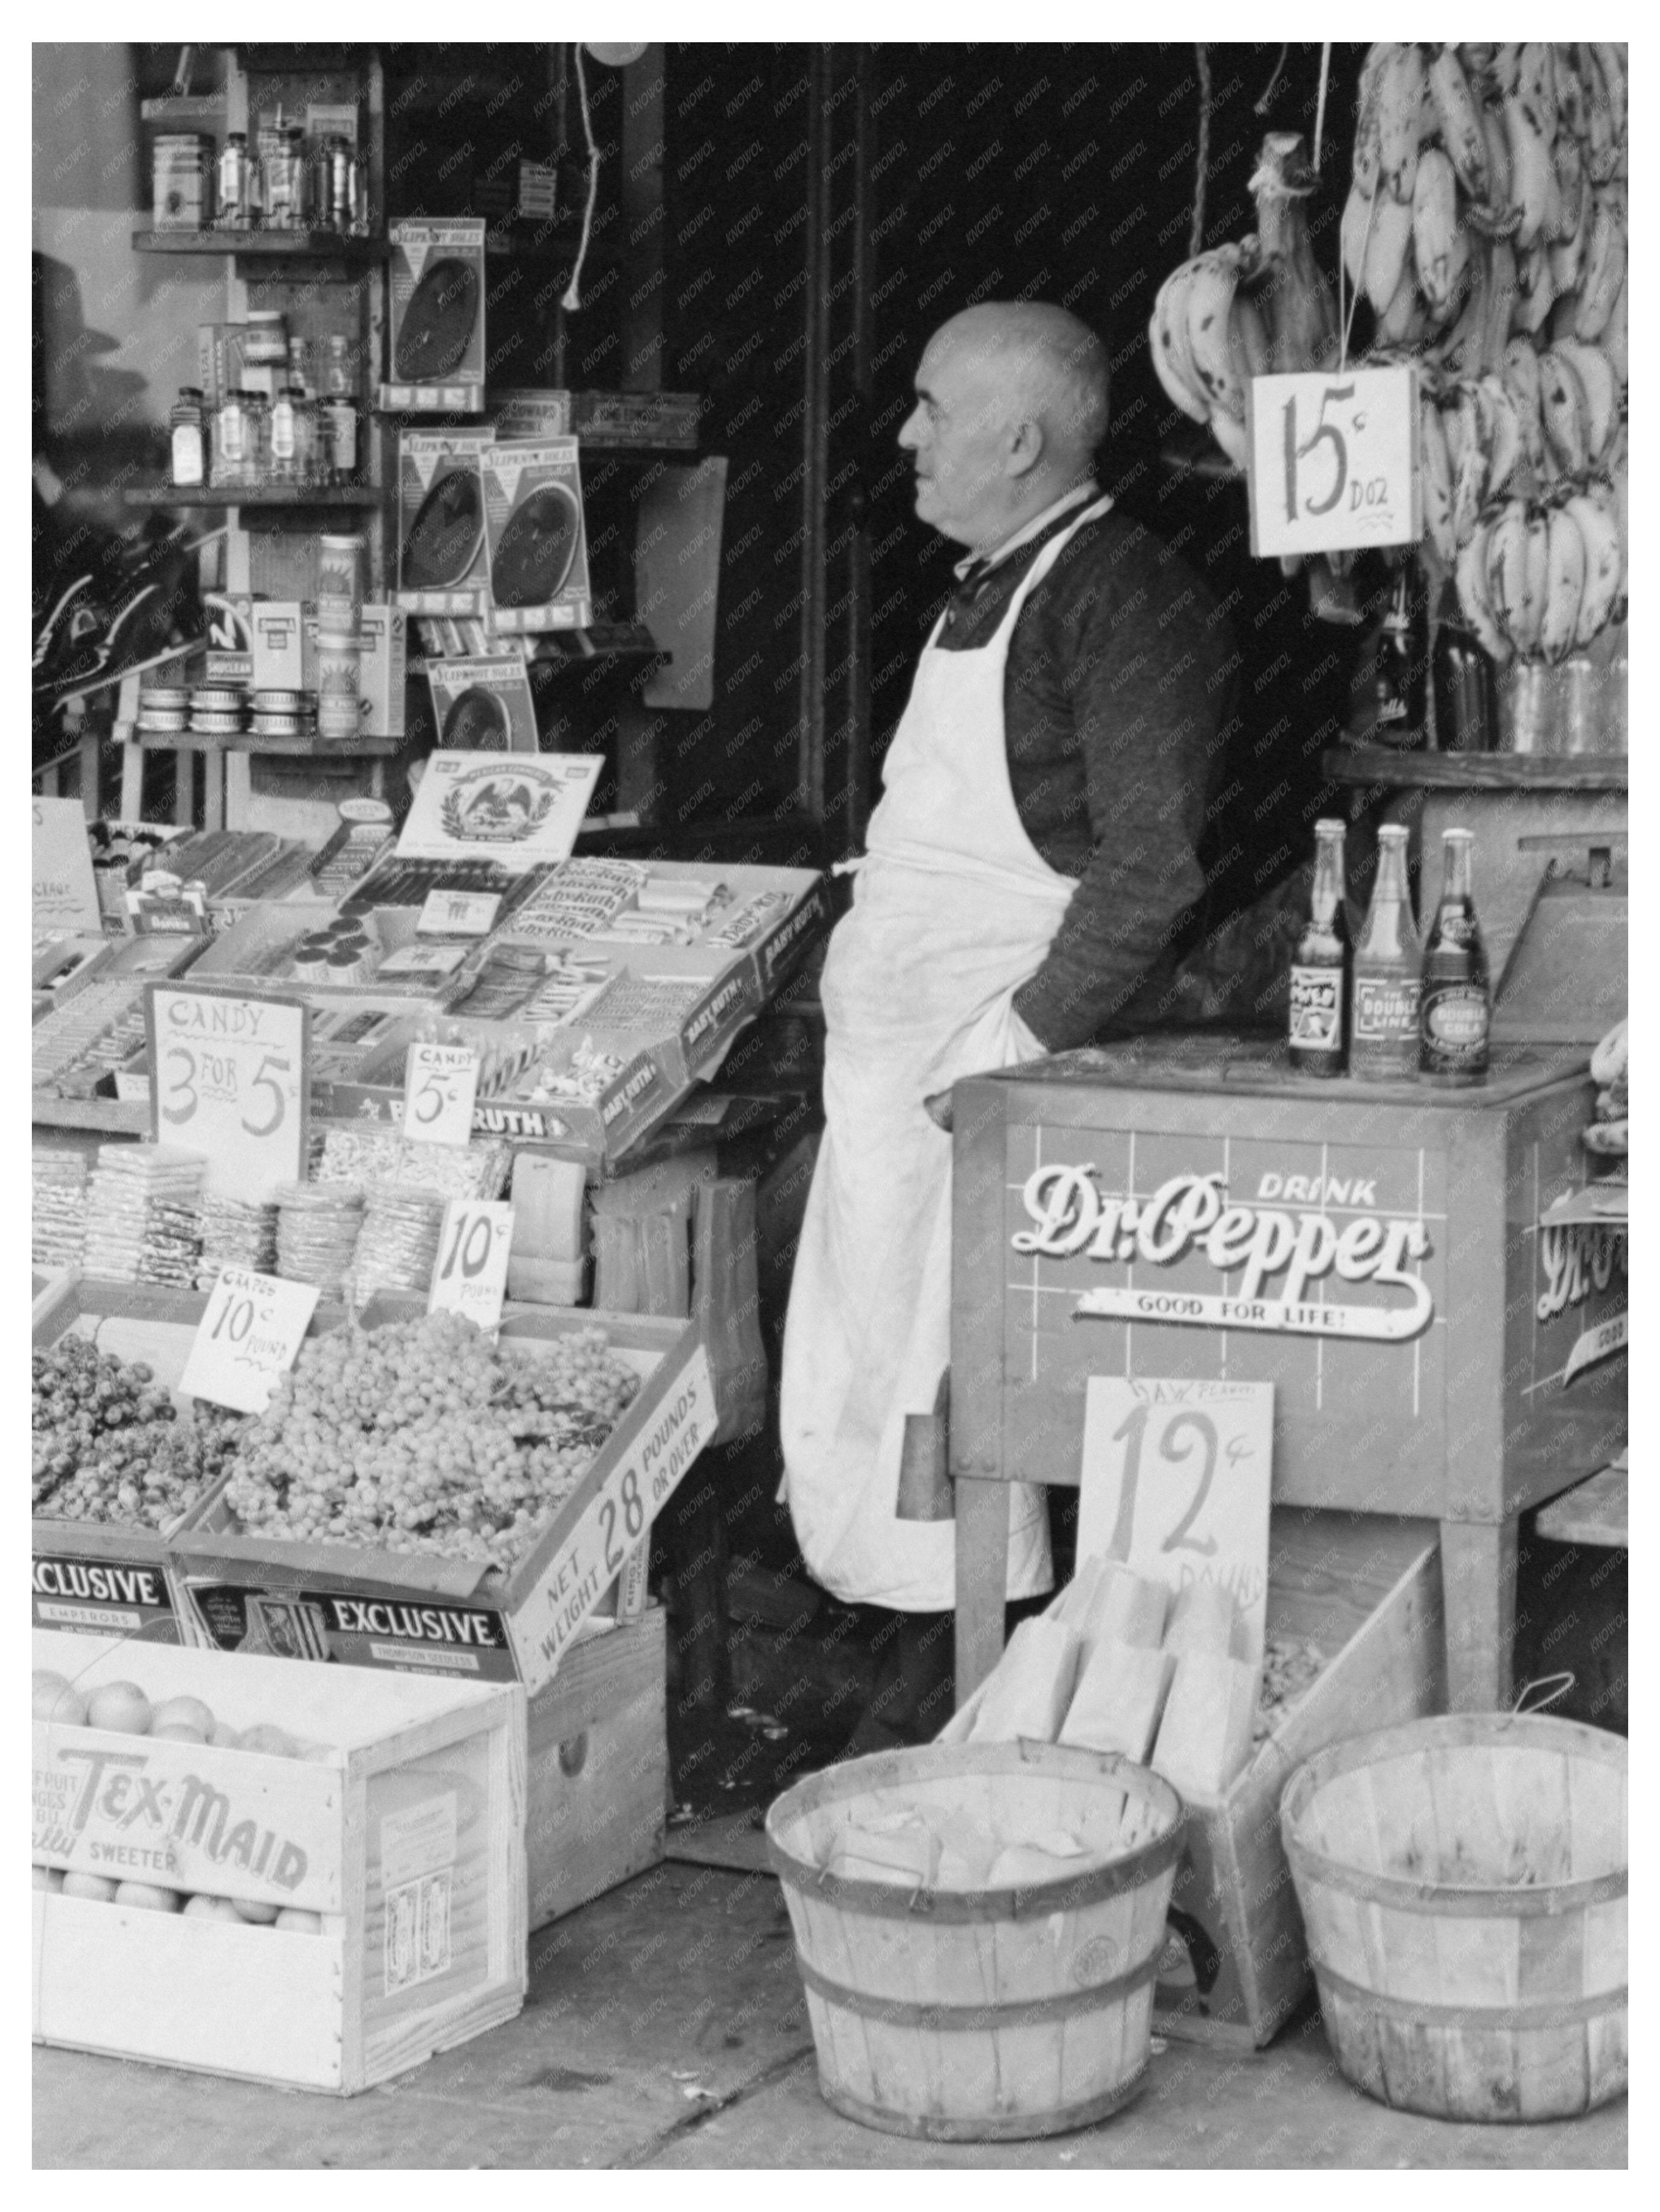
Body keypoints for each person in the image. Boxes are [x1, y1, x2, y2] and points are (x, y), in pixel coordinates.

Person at [779, 300, 1239, 1750]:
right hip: (896, 1092)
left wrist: (1015, 1042)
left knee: (959, 1392)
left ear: (1021, 437)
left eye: (929, 406)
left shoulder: (1120, 601)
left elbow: (1152, 864)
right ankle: (895, 1659)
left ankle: (955, 1692)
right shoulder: (986, 585)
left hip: (984, 1082)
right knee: (871, 1369)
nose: (906, 435)